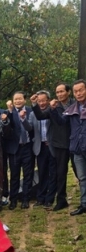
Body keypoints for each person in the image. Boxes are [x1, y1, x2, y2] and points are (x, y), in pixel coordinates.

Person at [49, 79, 86, 216]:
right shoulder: (73, 108)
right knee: (82, 177)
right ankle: (84, 204)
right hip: (75, 147)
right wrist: (52, 110)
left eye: (80, 90)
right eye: (76, 91)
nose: (78, 93)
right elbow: (61, 121)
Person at [26, 91, 57, 209]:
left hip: (52, 146)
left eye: (44, 100)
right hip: (40, 147)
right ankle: (40, 198)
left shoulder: (53, 110)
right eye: (39, 101)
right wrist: (23, 119)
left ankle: (50, 199)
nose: (42, 103)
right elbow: (29, 128)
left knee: (53, 173)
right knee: (42, 172)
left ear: (48, 100)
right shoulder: (33, 114)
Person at [5, 91, 35, 210]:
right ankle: (13, 199)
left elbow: (32, 128)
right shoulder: (8, 112)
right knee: (14, 175)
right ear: (13, 101)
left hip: (28, 147)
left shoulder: (30, 111)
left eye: (20, 99)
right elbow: (9, 128)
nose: (17, 101)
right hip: (15, 149)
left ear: (24, 99)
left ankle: (25, 199)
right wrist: (11, 111)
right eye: (15, 99)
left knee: (28, 174)